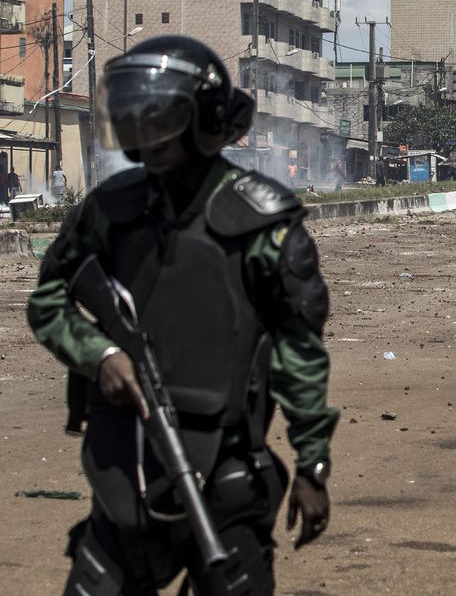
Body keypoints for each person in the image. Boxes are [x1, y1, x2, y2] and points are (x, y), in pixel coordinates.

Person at [27, 36, 338, 594]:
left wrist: (313, 464)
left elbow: (300, 352)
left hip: (225, 477)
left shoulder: (261, 224)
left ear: (207, 118)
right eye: (136, 122)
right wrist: (100, 356)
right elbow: (48, 300)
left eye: (163, 120)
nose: (149, 140)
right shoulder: (109, 211)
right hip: (127, 471)